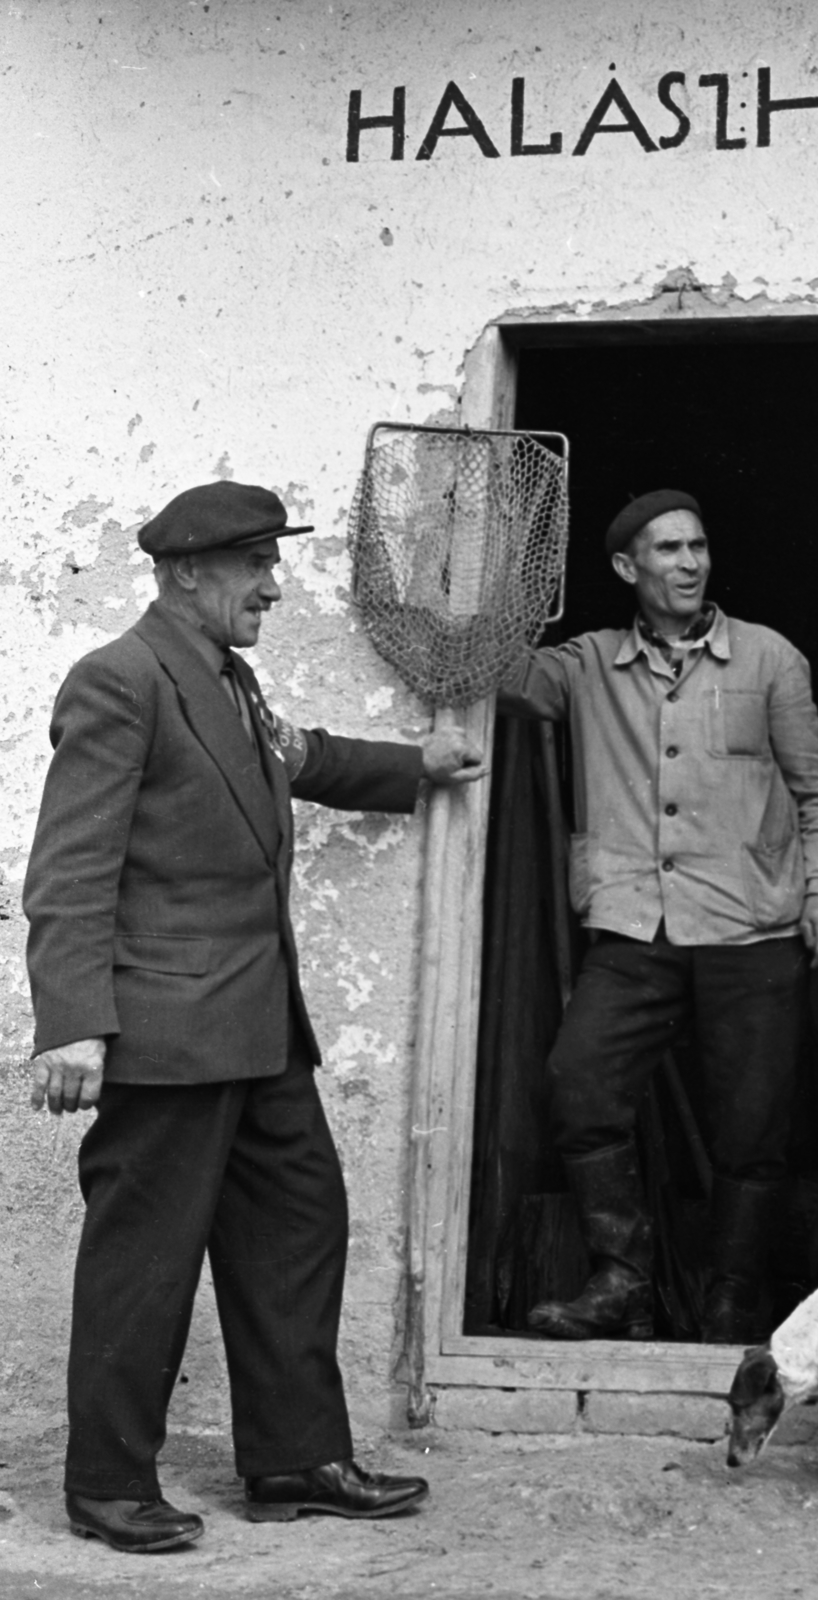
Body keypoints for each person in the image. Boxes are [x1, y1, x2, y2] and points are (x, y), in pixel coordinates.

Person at [23, 480, 486, 1554]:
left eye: (273, 564)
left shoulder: (228, 680)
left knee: (298, 1222)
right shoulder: (121, 682)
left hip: (258, 1026)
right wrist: (73, 1023)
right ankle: (105, 1483)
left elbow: (295, 758)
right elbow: (71, 866)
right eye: (255, 566)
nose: (275, 585)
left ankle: (292, 1458)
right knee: (146, 1258)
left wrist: (412, 765)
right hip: (166, 1035)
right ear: (189, 572)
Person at [497, 489, 818, 1345]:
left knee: (753, 1124)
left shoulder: (770, 659)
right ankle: (623, 1279)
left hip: (753, 928)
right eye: (667, 550)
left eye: (697, 546)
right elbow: (498, 679)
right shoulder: (585, 663)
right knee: (578, 1084)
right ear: (627, 568)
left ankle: (734, 1295)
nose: (690, 563)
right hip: (633, 926)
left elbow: (816, 792)